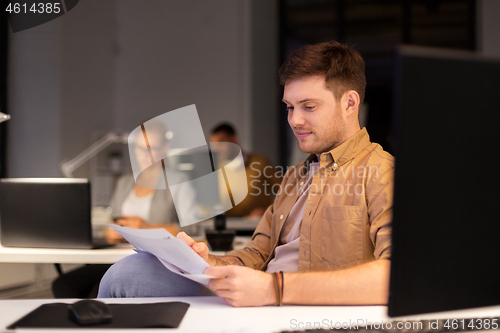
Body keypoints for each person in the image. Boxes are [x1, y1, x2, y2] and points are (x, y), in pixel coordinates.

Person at [98, 41, 393, 306]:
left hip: (294, 306)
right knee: (132, 269)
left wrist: (274, 288)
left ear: (350, 103)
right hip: (259, 295)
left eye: (309, 106)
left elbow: (397, 275)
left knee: (125, 276)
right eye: (290, 107)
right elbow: (255, 255)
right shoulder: (294, 177)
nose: (295, 120)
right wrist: (205, 261)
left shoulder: (382, 173)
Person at [52, 121, 197, 298]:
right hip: (115, 258)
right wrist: (110, 232)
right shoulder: (124, 182)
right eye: (140, 148)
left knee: (95, 292)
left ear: (164, 148)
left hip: (153, 262)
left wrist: (145, 229)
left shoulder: (179, 180)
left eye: (151, 148)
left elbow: (193, 229)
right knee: (63, 285)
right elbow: (111, 220)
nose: (144, 154)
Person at [209, 123, 281, 218]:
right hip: (225, 225)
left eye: (221, 143)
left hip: (256, 224)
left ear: (234, 139)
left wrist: (270, 210)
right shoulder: (215, 168)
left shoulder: (260, 163)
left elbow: (283, 191)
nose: (216, 149)